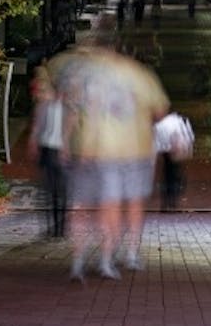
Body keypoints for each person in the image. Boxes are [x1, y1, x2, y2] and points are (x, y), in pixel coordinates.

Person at [49, 45, 169, 280]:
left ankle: (79, 261)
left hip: (88, 152)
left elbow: (69, 107)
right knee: (116, 207)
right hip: (129, 152)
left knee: (81, 207)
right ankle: (112, 258)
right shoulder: (139, 76)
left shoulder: (84, 76)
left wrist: (65, 144)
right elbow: (161, 112)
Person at [27, 67, 68, 239]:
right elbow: (38, 127)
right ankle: (56, 228)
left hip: (54, 150)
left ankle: (58, 228)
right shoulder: (50, 106)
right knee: (53, 191)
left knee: (56, 191)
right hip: (51, 149)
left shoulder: (60, 108)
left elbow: (38, 128)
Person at [153, 110, 194, 209]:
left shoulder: (160, 123)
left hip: (166, 150)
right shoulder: (180, 121)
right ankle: (172, 199)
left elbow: (156, 138)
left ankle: (167, 200)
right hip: (175, 150)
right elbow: (189, 136)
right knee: (174, 172)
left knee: (168, 173)